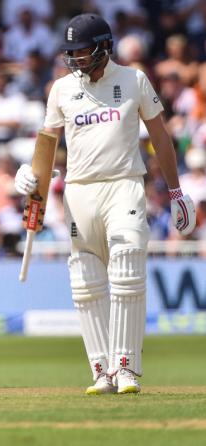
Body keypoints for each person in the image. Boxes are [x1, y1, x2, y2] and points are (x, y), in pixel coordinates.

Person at [14, 13, 196, 395]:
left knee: (128, 260)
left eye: (82, 51)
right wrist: (31, 179)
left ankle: (126, 366)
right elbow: (48, 144)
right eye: (71, 52)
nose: (76, 58)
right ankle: (101, 371)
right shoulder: (62, 89)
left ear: (104, 46)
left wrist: (176, 191)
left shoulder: (134, 80)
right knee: (85, 282)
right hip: (79, 191)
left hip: (125, 184)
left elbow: (160, 138)